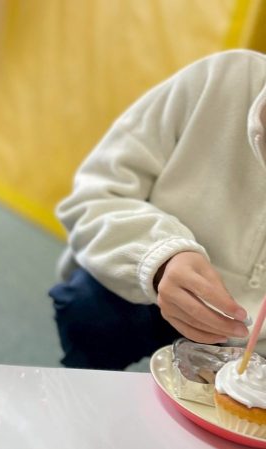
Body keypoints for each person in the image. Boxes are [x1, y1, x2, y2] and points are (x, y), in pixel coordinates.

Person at [49, 49, 266, 370]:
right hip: (143, 292)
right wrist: (160, 259)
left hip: (255, 346)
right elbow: (94, 195)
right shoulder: (221, 79)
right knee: (91, 309)